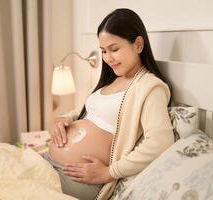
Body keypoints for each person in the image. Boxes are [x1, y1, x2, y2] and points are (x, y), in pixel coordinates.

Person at [42, 8, 174, 200]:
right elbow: (87, 114)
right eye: (103, 51)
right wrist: (62, 120)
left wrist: (108, 172)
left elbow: (160, 141)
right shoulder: (111, 79)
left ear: (138, 45)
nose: (107, 58)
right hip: (50, 159)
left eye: (114, 49)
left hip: (78, 178)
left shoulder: (149, 87)